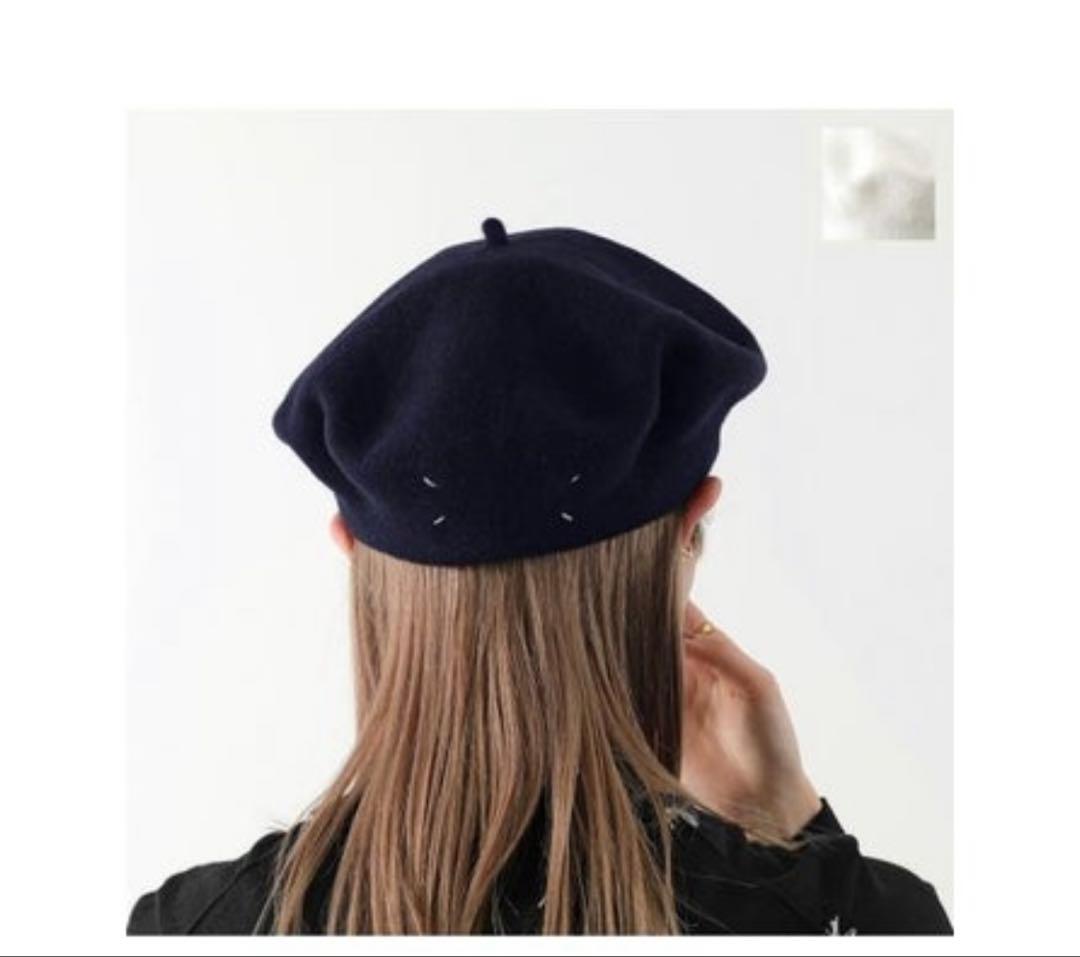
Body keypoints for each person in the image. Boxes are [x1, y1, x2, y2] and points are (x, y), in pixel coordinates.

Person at [128, 218, 952, 935]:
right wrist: (792, 831)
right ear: (691, 524)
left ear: (349, 546)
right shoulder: (866, 921)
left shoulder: (187, 925)